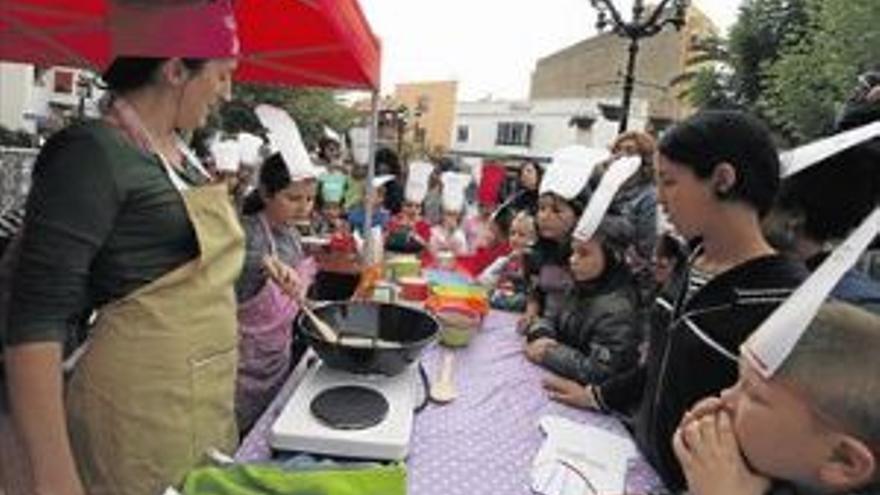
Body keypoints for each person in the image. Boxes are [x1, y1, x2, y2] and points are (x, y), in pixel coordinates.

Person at [3, 2, 241, 494]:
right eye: (221, 76)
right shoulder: (92, 153)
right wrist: (53, 475)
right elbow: (34, 321)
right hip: (130, 416)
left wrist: (264, 262)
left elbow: (181, 261)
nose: (227, 92)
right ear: (175, 70)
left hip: (193, 408)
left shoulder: (181, 155)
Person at [546, 111, 808, 491]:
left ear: (722, 179)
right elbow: (657, 364)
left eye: (668, 182)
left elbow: (794, 448)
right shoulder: (689, 264)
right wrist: (598, 396)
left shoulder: (783, 301)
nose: (660, 199)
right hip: (639, 467)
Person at [675, 302, 880, 495]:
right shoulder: (783, 466)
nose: (725, 398)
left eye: (754, 396)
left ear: (843, 460)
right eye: (739, 381)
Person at [234, 106, 320, 434]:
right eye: (293, 198)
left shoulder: (292, 235)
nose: (304, 207)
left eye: (310, 199)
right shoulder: (248, 234)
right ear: (267, 193)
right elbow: (229, 278)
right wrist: (260, 266)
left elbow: (293, 297)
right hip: (241, 370)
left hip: (277, 359)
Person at [520, 146, 601, 329]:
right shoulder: (538, 250)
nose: (544, 217)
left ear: (579, 215)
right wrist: (532, 310)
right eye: (541, 208)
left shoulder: (591, 257)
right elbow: (536, 289)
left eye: (556, 210)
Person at [608, 131, 659, 299]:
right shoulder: (608, 189)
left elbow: (646, 248)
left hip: (627, 281)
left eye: (629, 151)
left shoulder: (648, 196)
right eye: (618, 151)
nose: (622, 156)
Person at [479, 211, 536, 311]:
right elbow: (484, 280)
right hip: (503, 297)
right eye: (512, 233)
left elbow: (531, 290)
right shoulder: (506, 259)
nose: (514, 238)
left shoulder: (534, 262)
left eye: (521, 235)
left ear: (534, 240)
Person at [385, 161, 433, 255]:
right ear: (402, 206)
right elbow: (386, 240)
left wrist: (414, 234)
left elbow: (428, 248)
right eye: (409, 205)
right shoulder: (394, 220)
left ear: (420, 209)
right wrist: (398, 230)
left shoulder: (425, 225)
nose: (413, 209)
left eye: (417, 206)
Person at [429, 171, 471, 258]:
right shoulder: (433, 232)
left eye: (454, 214)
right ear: (442, 214)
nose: (451, 218)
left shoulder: (460, 235)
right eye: (448, 214)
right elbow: (431, 252)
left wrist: (453, 235)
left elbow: (462, 257)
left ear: (459, 216)